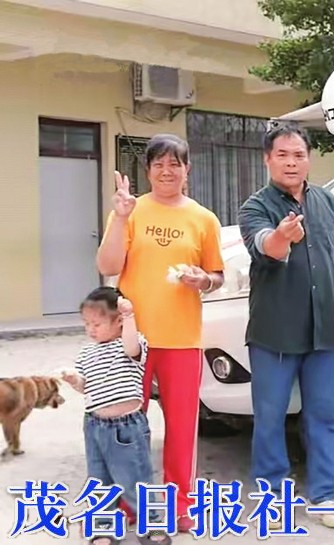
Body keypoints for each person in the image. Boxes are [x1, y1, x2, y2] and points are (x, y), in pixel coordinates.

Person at [96, 134, 225, 532]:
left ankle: (180, 504)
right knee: (126, 424)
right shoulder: (130, 211)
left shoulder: (204, 219)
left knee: (182, 428)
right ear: (148, 170)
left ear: (188, 170)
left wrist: (203, 279)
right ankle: (127, 504)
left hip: (183, 338)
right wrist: (120, 217)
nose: (167, 171)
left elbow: (217, 275)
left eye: (175, 164)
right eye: (159, 164)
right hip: (131, 339)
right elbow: (107, 266)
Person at [237, 123, 334, 529]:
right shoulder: (254, 206)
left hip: (323, 328)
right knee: (269, 417)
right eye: (282, 155)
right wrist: (283, 237)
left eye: (298, 154)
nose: (291, 162)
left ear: (308, 159)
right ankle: (271, 497)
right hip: (275, 331)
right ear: (267, 159)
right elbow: (264, 246)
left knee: (326, 415)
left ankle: (324, 495)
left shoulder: (327, 202)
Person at [62, 287, 172, 545]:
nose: (91, 329)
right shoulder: (86, 352)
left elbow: (132, 347)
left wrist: (130, 316)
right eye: (87, 324)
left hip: (126, 428)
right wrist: (73, 380)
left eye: (97, 324)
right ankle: (104, 529)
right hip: (94, 425)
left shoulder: (130, 344)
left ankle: (152, 525)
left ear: (118, 321)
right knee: (99, 481)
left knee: (136, 479)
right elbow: (85, 386)